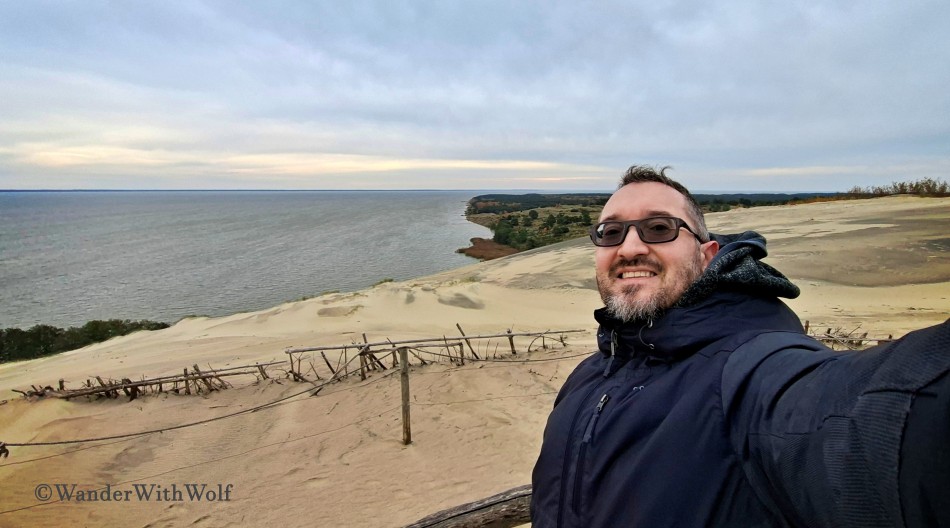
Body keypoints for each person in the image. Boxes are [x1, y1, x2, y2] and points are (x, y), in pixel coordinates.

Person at [530, 165, 950, 527]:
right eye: (611, 232)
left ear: (708, 255)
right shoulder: (591, 373)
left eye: (659, 228)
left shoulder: (753, 370)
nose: (631, 247)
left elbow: (859, 418)